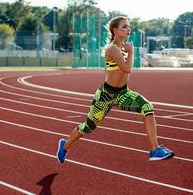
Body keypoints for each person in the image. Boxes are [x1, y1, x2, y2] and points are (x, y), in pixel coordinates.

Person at [57, 16, 174, 163]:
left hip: (123, 93)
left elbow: (108, 71)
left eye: (129, 26)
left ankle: (154, 150)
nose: (128, 29)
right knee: (88, 127)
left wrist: (127, 54)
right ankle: (65, 146)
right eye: (124, 27)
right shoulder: (112, 49)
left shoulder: (123, 48)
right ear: (115, 30)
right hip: (106, 96)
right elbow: (126, 69)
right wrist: (131, 52)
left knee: (147, 108)